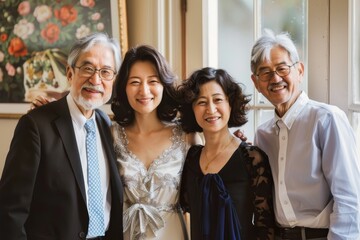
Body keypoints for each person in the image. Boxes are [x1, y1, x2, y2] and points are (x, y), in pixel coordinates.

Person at [0, 32, 124, 240]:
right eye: (87, 68)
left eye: (105, 71)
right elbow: (10, 210)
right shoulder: (36, 126)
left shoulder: (107, 125)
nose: (96, 79)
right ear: (69, 73)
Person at [250, 29, 360, 240]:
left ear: (299, 71)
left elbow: (349, 198)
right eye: (265, 72)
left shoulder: (327, 119)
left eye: (282, 68)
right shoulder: (262, 135)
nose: (275, 78)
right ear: (256, 83)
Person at [111, 45, 200, 239]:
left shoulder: (186, 135)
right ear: (124, 87)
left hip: (172, 233)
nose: (144, 90)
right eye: (135, 82)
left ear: (163, 85)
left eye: (153, 81)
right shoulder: (112, 135)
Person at [177, 67, 275, 240]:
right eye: (201, 102)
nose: (211, 109)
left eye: (218, 100)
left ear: (230, 103)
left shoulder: (252, 158)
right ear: (192, 108)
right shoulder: (191, 158)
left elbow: (265, 228)